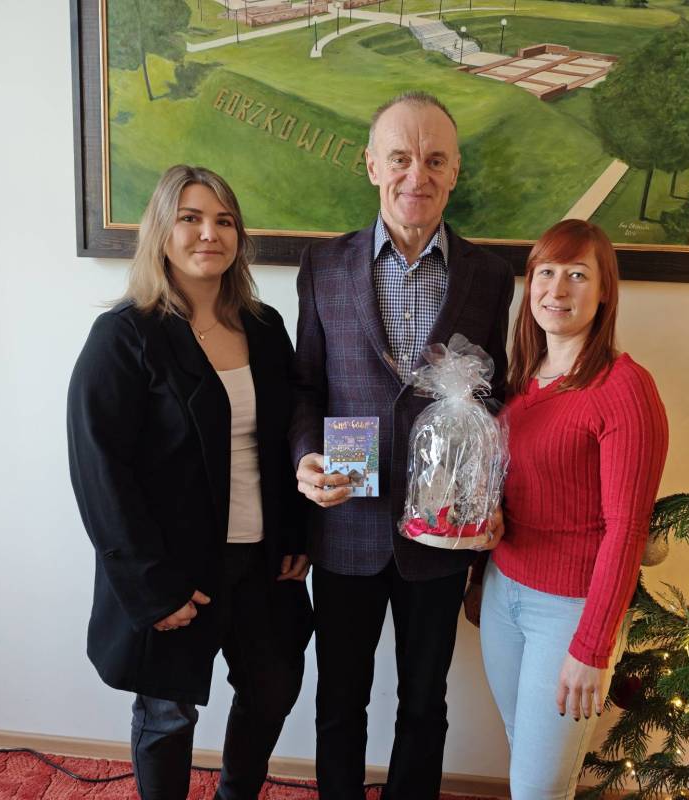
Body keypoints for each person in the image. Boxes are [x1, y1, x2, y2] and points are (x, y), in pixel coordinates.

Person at [289, 91, 514, 800]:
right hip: (346, 524)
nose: (417, 174)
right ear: (371, 165)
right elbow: (305, 387)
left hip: (441, 532)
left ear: (455, 172)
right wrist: (305, 457)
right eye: (400, 157)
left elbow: (494, 395)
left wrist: (487, 496)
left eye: (435, 159)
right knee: (339, 699)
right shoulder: (324, 267)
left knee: (424, 701)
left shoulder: (490, 275)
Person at [67, 165, 312, 800]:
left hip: (262, 560)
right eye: (191, 218)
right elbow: (99, 472)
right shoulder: (125, 336)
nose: (210, 233)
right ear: (161, 231)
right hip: (175, 568)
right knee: (168, 716)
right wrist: (151, 587)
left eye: (224, 221)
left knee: (273, 689)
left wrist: (297, 534)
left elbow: (284, 438)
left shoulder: (265, 328)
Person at [466, 219, 668, 799]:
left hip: (569, 612)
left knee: (539, 786)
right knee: (524, 755)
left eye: (578, 275)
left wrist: (592, 647)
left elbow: (627, 529)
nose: (557, 289)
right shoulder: (523, 380)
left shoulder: (624, 388)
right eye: (546, 273)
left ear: (604, 292)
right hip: (504, 593)